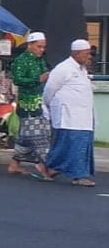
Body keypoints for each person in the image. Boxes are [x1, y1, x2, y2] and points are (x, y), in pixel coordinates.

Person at [43, 39, 97, 187]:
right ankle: (79, 176)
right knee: (70, 146)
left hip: (83, 117)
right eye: (86, 54)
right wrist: (48, 106)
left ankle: (51, 168)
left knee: (74, 146)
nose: (89, 57)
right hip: (68, 116)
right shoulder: (63, 69)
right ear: (77, 53)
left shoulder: (82, 70)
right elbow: (49, 90)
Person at [7, 32, 53, 181]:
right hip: (28, 104)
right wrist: (38, 79)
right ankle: (46, 168)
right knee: (41, 136)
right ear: (30, 45)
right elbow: (18, 80)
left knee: (25, 138)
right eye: (39, 46)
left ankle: (14, 164)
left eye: (44, 47)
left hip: (41, 101)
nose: (42, 50)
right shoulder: (21, 60)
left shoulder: (41, 61)